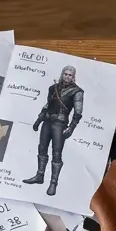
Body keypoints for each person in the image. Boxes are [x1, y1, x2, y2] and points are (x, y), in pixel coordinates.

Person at [23, 65, 84, 197]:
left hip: (60, 124)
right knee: (42, 148)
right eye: (65, 74)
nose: (67, 76)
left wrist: (71, 128)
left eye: (70, 75)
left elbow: (78, 113)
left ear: (73, 77)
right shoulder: (53, 88)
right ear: (62, 74)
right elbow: (47, 105)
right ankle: (39, 176)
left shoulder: (77, 91)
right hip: (47, 121)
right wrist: (38, 120)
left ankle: (53, 183)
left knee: (57, 153)